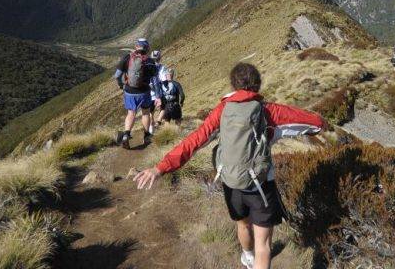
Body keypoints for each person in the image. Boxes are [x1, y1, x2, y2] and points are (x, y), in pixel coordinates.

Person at [134, 63, 325, 269]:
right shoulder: (269, 111)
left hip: (231, 182)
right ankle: (254, 258)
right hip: (261, 185)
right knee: (264, 246)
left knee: (242, 223)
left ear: (233, 85)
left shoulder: (222, 111)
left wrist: (160, 168)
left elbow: (193, 142)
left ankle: (246, 256)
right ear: (257, 85)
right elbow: (317, 123)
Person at [114, 38, 162, 148]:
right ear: (147, 48)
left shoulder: (127, 58)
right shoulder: (150, 61)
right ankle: (146, 136)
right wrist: (158, 96)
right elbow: (155, 80)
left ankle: (126, 135)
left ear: (136, 47)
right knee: (145, 113)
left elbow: (117, 75)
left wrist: (121, 85)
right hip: (144, 92)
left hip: (130, 91)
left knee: (131, 113)